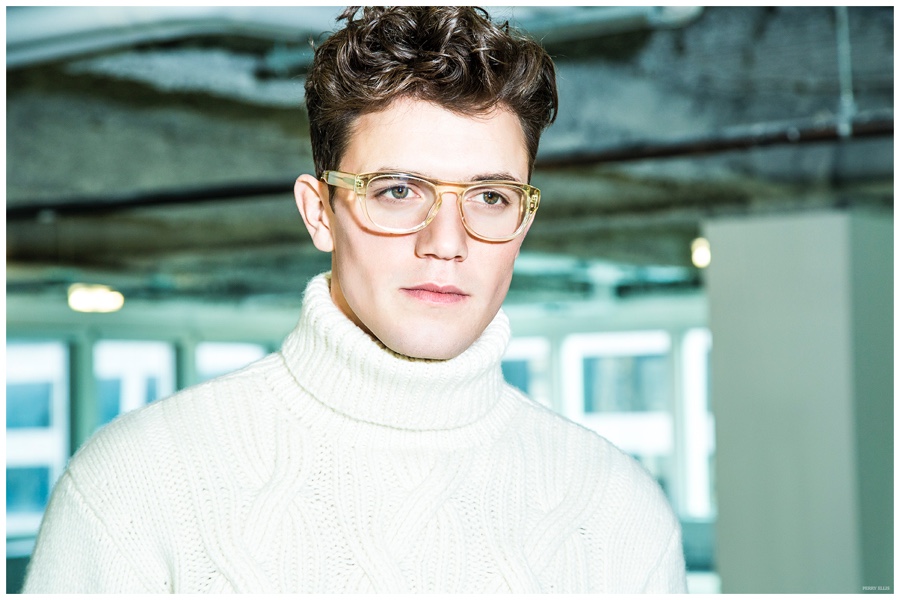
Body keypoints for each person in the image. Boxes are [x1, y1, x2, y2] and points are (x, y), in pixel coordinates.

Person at [24, 6, 686, 593]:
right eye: (397, 191)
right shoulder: (135, 487)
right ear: (320, 213)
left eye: (490, 196)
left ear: (524, 218)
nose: (446, 243)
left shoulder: (620, 512)